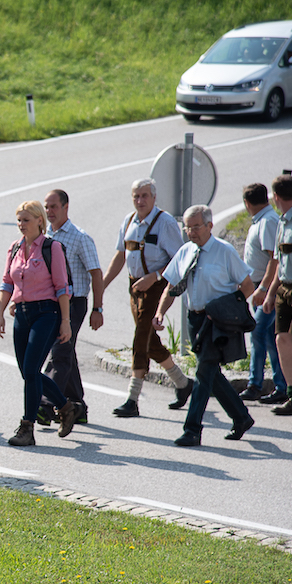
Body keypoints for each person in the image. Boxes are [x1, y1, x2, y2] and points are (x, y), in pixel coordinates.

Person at [153, 205, 255, 446]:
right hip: (195, 319)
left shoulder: (224, 251)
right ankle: (241, 417)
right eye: (187, 227)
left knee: (202, 372)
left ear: (209, 226)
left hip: (217, 322)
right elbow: (172, 286)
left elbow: (247, 286)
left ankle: (192, 429)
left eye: (196, 226)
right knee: (210, 373)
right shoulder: (185, 251)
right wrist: (160, 312)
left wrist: (227, 310)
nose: (191, 232)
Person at [102, 178, 193, 418]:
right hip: (135, 287)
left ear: (154, 197)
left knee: (141, 337)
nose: (140, 200)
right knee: (149, 340)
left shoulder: (165, 223)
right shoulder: (128, 221)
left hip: (156, 287)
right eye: (136, 196)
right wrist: (101, 285)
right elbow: (120, 256)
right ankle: (183, 383)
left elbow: (179, 260)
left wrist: (153, 277)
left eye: (144, 196)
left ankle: (132, 399)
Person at [0, 202, 78, 446]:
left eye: (26, 220)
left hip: (46, 313)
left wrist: (65, 322)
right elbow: (6, 283)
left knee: (31, 370)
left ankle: (27, 427)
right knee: (27, 372)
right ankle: (65, 406)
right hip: (21, 313)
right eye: (19, 220)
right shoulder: (14, 248)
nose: (22, 225)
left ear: (40, 221)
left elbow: (63, 287)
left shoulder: (53, 248)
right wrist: (0, 313)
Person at [36, 189, 103, 425]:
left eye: (54, 206)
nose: (49, 211)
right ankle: (77, 405)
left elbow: (96, 273)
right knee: (67, 350)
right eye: (47, 207)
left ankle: (44, 404)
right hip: (51, 302)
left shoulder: (79, 237)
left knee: (60, 351)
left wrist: (98, 309)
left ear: (66, 207)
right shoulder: (43, 237)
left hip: (74, 303)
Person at [240, 183, 287, 404]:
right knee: (269, 337)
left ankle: (256, 384)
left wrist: (263, 289)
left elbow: (274, 259)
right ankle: (280, 385)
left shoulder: (268, 222)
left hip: (268, 288)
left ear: (247, 203)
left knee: (259, 332)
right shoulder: (261, 220)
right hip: (261, 287)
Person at [262, 174, 292, 415]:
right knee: (282, 340)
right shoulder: (282, 221)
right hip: (285, 288)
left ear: (276, 197)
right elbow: (278, 262)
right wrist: (270, 294)